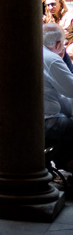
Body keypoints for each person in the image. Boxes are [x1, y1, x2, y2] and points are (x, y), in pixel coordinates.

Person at [42, 23, 73, 172]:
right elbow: (71, 90)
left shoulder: (39, 53)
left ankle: (65, 161)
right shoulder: (51, 59)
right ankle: (67, 163)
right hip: (44, 120)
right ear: (59, 43)